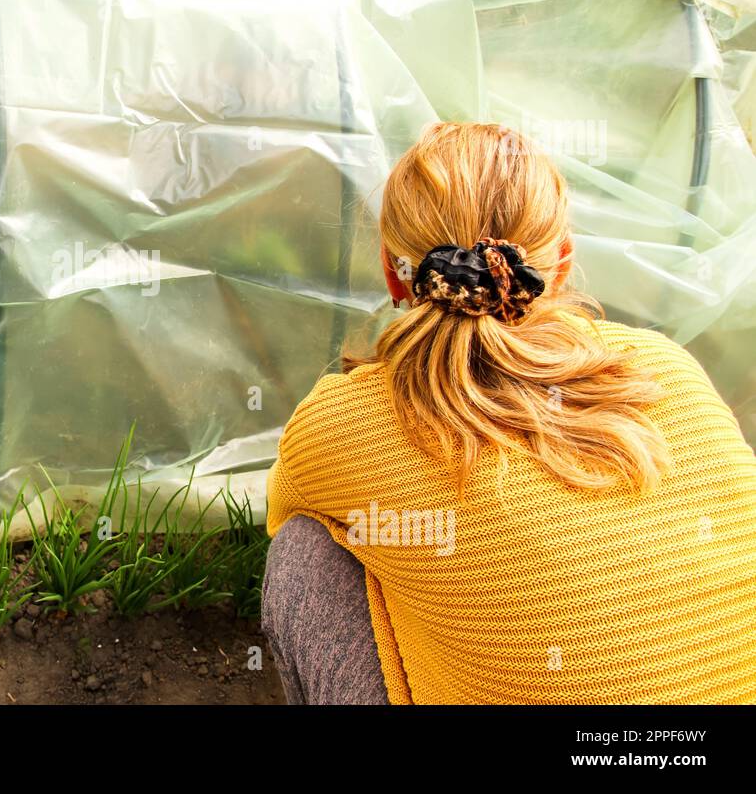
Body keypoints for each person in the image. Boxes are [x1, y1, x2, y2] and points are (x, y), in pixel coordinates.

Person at [263, 122, 756, 704]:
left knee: (305, 551)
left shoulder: (344, 421)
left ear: (394, 269)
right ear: (563, 265)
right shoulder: (664, 367)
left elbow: (281, 511)